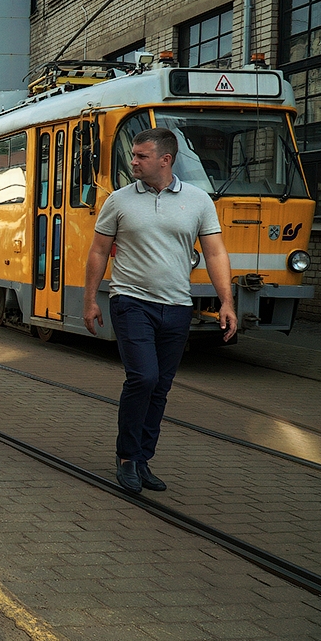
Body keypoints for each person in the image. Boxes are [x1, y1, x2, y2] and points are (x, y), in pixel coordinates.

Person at [82, 127, 236, 494]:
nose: (133, 161)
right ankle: (126, 457)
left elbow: (215, 252)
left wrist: (226, 301)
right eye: (133, 155)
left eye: (141, 156)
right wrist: (89, 299)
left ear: (165, 160)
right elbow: (99, 251)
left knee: (161, 387)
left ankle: (142, 458)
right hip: (131, 301)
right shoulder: (118, 200)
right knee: (144, 378)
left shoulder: (198, 200)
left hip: (177, 306)